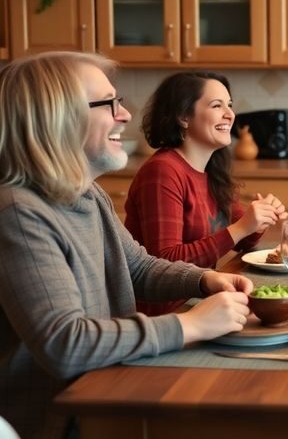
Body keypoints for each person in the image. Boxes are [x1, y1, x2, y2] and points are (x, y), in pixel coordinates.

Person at [0, 52, 253, 439]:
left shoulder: (87, 195)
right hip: (61, 420)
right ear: (57, 117)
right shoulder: (19, 212)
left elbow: (137, 267)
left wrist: (204, 281)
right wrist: (191, 324)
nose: (125, 115)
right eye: (109, 103)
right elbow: (65, 344)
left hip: (107, 391)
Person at [124, 72, 288, 316]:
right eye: (216, 105)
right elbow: (165, 262)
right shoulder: (162, 171)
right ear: (183, 117)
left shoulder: (211, 169)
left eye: (230, 105)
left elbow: (242, 239)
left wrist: (259, 220)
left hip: (198, 302)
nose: (230, 114)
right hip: (164, 315)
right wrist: (243, 227)